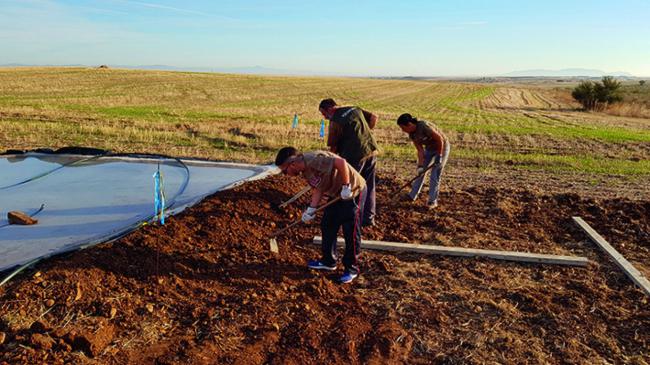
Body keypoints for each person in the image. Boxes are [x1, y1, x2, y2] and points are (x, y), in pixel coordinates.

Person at [275, 146, 367, 284]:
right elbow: (319, 187)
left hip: (353, 191)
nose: (286, 174)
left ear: (292, 164)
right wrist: (311, 209)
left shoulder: (314, 160)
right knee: (328, 224)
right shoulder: (304, 170)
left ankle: (352, 269)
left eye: (284, 171)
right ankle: (329, 261)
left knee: (351, 231)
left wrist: (346, 186)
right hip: (336, 194)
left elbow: (341, 162)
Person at [318, 98, 378, 227]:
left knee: (352, 186)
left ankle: (350, 216)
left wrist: (331, 164)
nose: (325, 117)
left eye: (324, 114)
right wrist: (364, 135)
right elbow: (374, 117)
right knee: (369, 184)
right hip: (371, 150)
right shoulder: (355, 108)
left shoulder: (335, 122)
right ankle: (368, 218)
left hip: (355, 156)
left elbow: (333, 148)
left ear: (329, 109)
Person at [396, 113, 450, 209]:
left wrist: (439, 155)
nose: (402, 130)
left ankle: (432, 201)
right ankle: (412, 196)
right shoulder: (412, 134)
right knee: (420, 173)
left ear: (409, 124)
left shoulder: (423, 126)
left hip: (442, 147)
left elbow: (440, 139)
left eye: (403, 127)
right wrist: (420, 167)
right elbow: (420, 151)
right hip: (429, 148)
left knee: (435, 174)